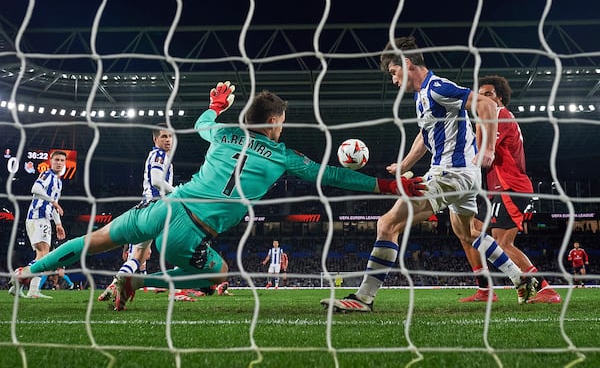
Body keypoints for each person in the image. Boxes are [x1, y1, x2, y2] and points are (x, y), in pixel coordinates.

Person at [13, 81, 425, 311]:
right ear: (273, 121)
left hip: (162, 207)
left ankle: (28, 272)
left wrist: (215, 105)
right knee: (219, 272)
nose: (282, 127)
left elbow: (203, 122)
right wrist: (390, 185)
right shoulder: (283, 156)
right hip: (188, 231)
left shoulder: (223, 132)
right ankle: (137, 279)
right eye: (281, 121)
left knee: (95, 241)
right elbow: (332, 176)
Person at [321, 36, 538, 313]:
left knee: (387, 223)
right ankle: (521, 280)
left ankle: (363, 297)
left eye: (394, 72)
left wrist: (486, 148)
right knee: (468, 232)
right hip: (461, 176)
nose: (394, 79)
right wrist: (404, 164)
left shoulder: (437, 87)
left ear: (406, 63)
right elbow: (425, 137)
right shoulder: (422, 96)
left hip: (453, 174)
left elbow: (486, 105)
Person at [458, 75, 561, 304]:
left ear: (500, 97)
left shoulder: (500, 116)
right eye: (480, 95)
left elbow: (483, 153)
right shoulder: (493, 117)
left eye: (488, 94)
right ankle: (485, 289)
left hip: (511, 187)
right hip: (498, 188)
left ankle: (546, 289)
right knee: (469, 229)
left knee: (503, 243)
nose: (482, 99)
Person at [98, 124, 176, 302]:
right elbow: (157, 181)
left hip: (147, 208)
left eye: (170, 137)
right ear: (155, 139)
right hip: (157, 209)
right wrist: (178, 192)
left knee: (139, 256)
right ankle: (176, 290)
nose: (168, 140)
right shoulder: (159, 155)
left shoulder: (156, 155)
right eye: (164, 137)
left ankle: (114, 285)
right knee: (182, 241)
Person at [9, 150, 68, 299]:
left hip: (45, 218)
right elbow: (35, 189)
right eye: (57, 160)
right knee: (44, 255)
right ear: (51, 161)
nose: (59, 163)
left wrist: (58, 224)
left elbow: (54, 206)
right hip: (37, 216)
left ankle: (25, 287)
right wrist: (53, 201)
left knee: (42, 256)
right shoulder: (47, 175)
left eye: (62, 160)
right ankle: (20, 278)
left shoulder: (58, 182)